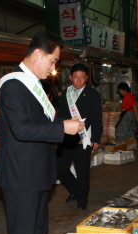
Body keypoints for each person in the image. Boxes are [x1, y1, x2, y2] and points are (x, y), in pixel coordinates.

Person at [0, 31, 85, 234]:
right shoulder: (13, 86)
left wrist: (64, 126)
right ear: (37, 55)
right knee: (22, 232)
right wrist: (62, 127)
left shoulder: (33, 85)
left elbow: (39, 124)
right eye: (53, 60)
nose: (54, 67)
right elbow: (21, 129)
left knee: (38, 226)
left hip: (36, 170)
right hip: (20, 173)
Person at [56, 63, 103, 210]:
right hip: (66, 139)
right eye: (76, 77)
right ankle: (75, 191)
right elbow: (61, 116)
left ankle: (82, 199)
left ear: (87, 78)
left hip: (84, 139)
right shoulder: (65, 93)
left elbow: (96, 118)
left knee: (82, 171)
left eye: (82, 77)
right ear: (70, 77)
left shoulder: (93, 94)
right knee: (59, 168)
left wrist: (96, 138)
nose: (78, 80)